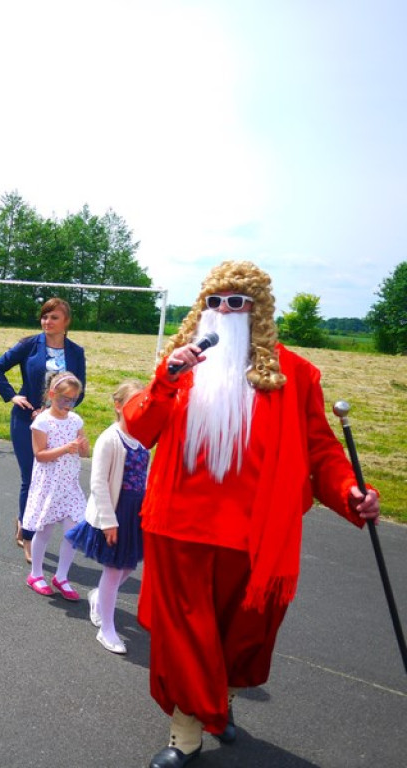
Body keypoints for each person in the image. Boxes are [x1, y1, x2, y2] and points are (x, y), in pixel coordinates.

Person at [122, 261, 381, 768]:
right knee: (186, 636)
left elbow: (322, 451)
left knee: (242, 636)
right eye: (214, 301)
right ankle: (187, 731)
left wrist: (351, 490)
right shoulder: (178, 368)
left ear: (256, 310)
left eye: (235, 302)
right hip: (179, 527)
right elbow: (139, 429)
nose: (223, 311)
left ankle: (222, 701)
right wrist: (166, 378)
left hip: (254, 535)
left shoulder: (295, 375)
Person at [0, 298, 87, 563]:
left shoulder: (75, 352)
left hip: (59, 424)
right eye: (44, 317)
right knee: (31, 477)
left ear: (66, 322)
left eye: (53, 317)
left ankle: (31, 525)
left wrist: (59, 411)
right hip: (26, 422)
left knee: (54, 480)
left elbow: (81, 390)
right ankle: (27, 529)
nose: (47, 322)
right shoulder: (29, 345)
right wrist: (12, 396)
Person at [65, 380, 148, 655]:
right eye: (133, 403)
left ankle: (98, 596)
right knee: (114, 569)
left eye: (143, 403)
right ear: (118, 405)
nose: (139, 408)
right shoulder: (110, 439)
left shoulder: (142, 438)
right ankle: (107, 629)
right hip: (114, 511)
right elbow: (99, 483)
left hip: (136, 511)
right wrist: (109, 521)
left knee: (128, 567)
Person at [19, 372, 89, 599]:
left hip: (69, 485)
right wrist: (64, 449)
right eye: (64, 399)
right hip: (49, 485)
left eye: (73, 400)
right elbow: (39, 455)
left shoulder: (76, 420)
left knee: (73, 533)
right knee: (45, 530)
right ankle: (36, 574)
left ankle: (62, 576)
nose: (68, 405)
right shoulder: (42, 422)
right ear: (51, 395)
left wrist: (83, 447)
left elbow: (83, 451)